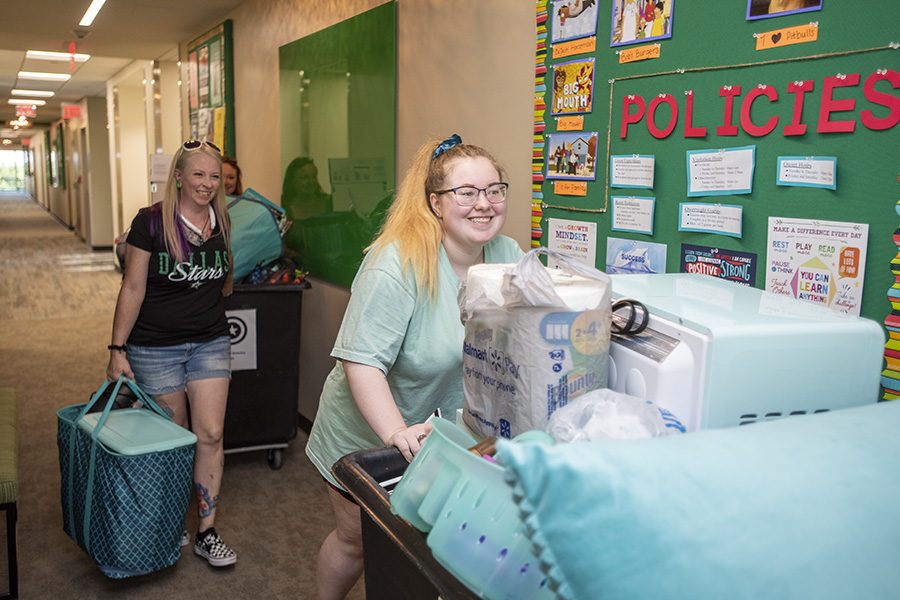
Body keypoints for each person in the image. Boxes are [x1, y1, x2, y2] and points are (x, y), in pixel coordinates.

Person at [305, 134, 524, 599]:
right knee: (357, 544)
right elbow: (360, 362)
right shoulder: (397, 263)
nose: (484, 204)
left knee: (433, 546)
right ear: (435, 203)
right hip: (368, 436)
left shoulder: (509, 256)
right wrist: (394, 434)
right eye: (466, 193)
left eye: (494, 190)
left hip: (446, 435)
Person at [106, 139, 237, 568]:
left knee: (211, 434)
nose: (207, 183)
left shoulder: (221, 219)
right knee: (175, 436)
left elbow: (223, 279)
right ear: (178, 176)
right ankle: (169, 520)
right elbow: (133, 287)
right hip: (153, 345)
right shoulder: (150, 222)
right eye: (198, 174)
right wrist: (117, 349)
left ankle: (207, 530)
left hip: (210, 340)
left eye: (214, 176)